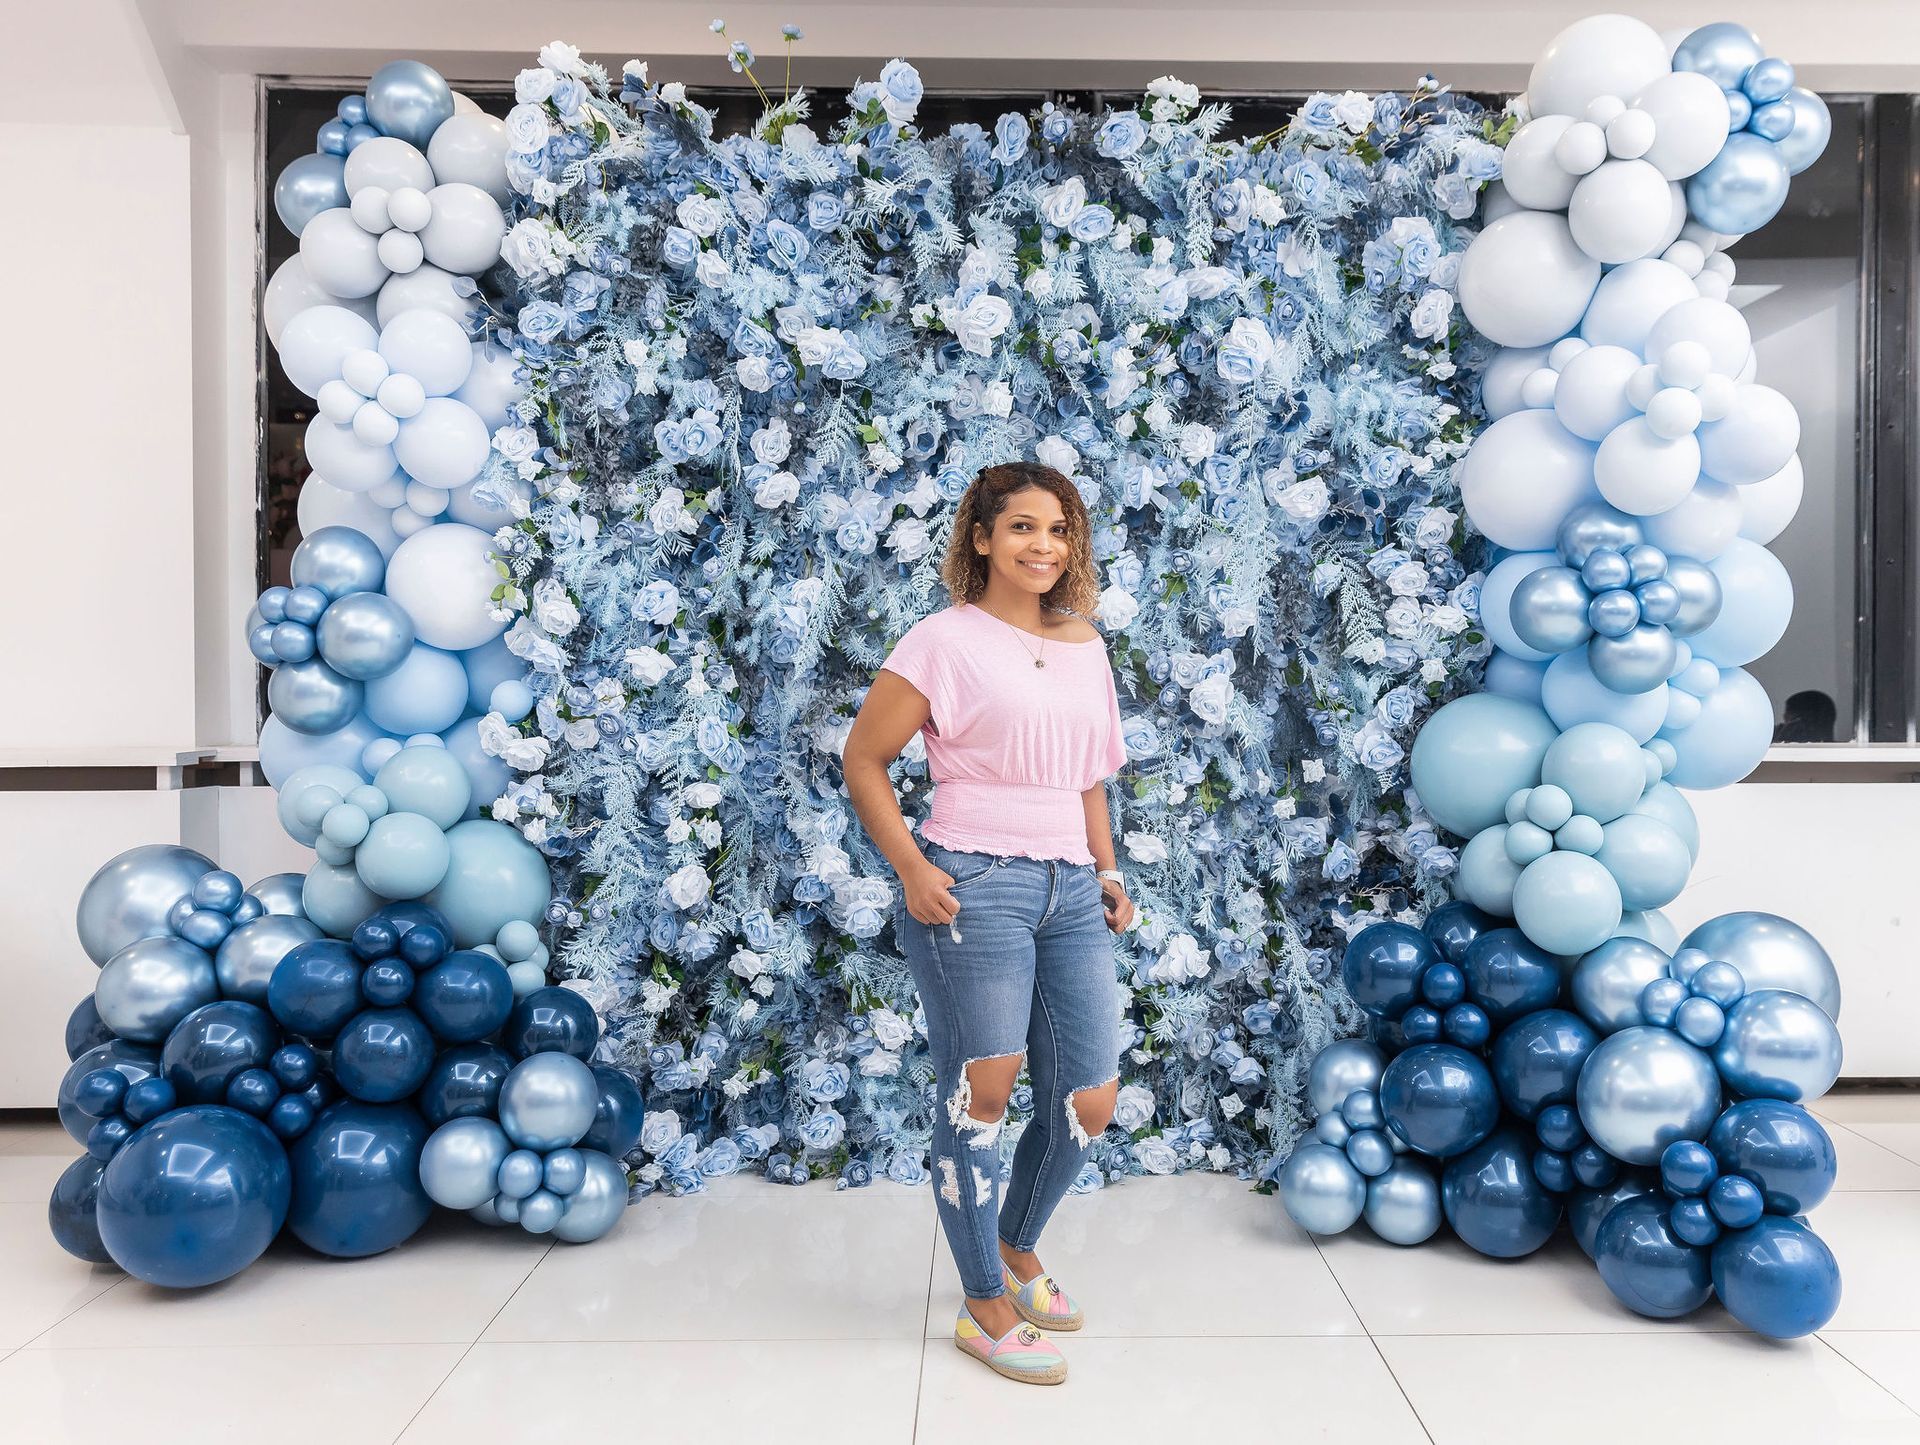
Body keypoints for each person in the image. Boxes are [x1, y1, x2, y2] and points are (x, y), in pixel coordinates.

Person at [843, 461, 1135, 1386]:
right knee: (985, 1091)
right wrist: (913, 866)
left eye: (1057, 529)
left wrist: (1108, 870)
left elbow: (1088, 773)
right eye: (1019, 527)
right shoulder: (941, 640)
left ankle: (1013, 1242)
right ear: (980, 538)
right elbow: (865, 757)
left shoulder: (1086, 646)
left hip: (1069, 889)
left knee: (1089, 1098)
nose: (1041, 545)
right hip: (971, 884)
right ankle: (982, 1301)